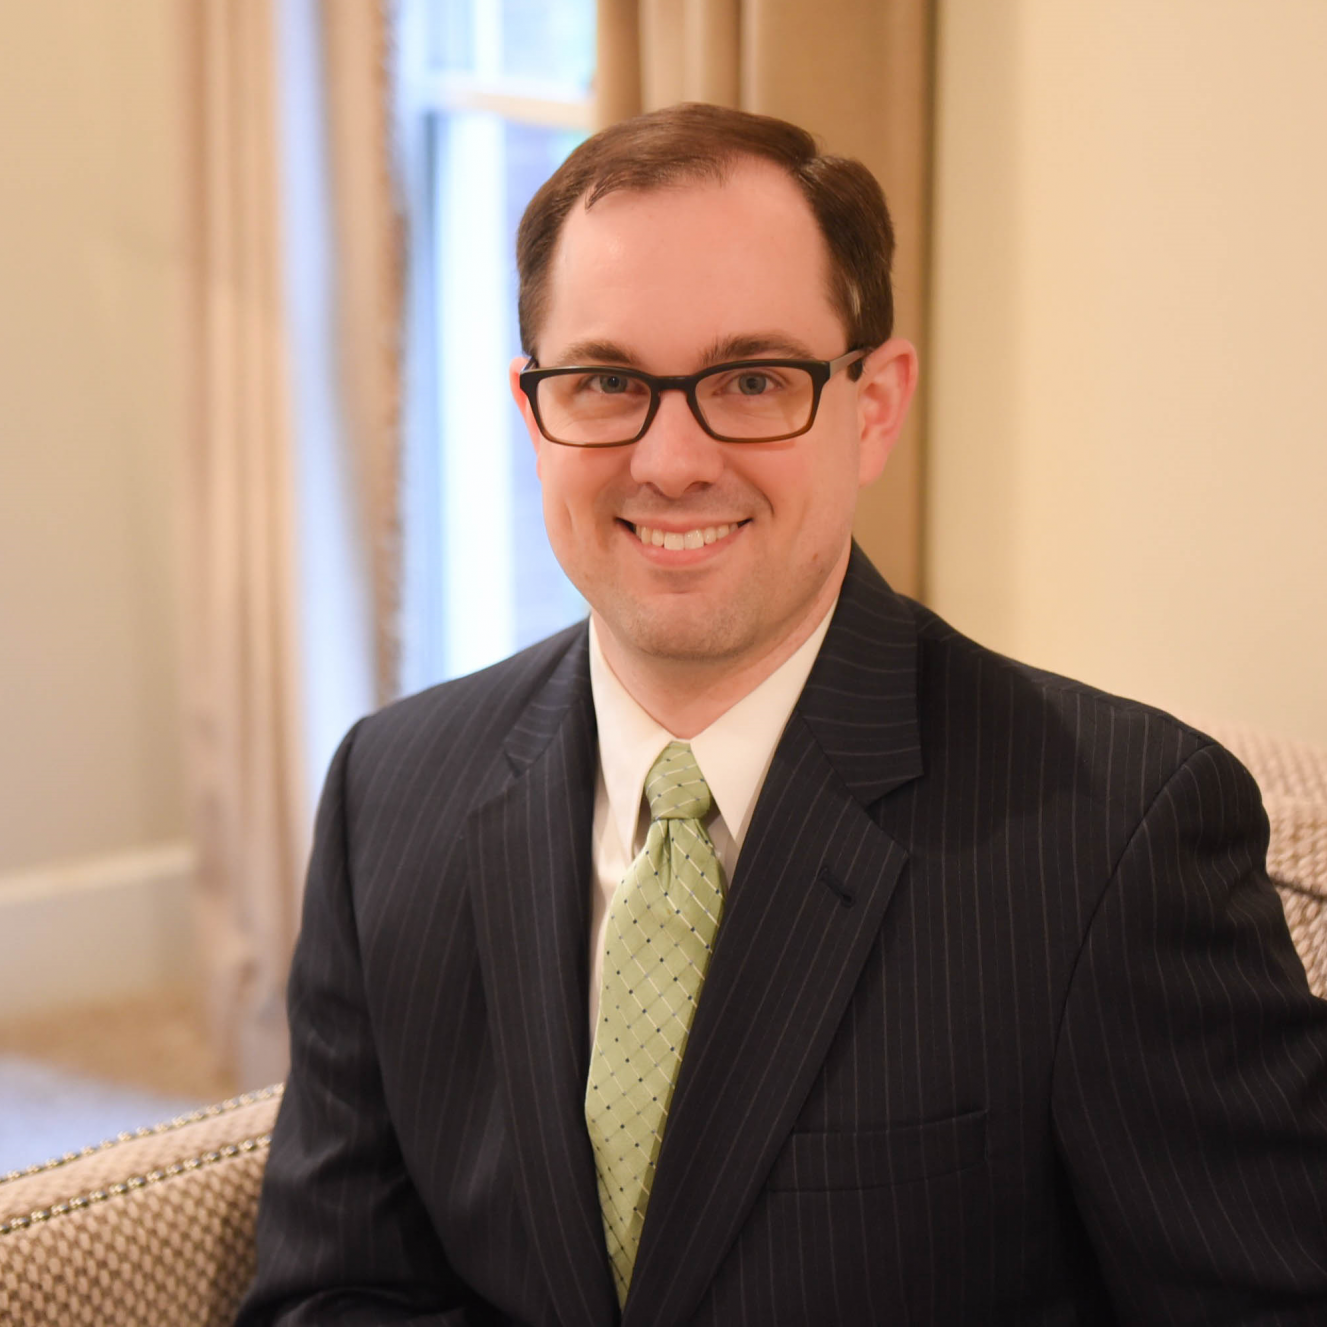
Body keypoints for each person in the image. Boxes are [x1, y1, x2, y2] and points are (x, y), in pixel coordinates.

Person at [238, 103, 1327, 1326]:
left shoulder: (1118, 838)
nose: (671, 459)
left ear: (871, 405)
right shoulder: (392, 788)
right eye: (604, 381)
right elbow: (334, 1290)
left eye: (751, 379)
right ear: (532, 410)